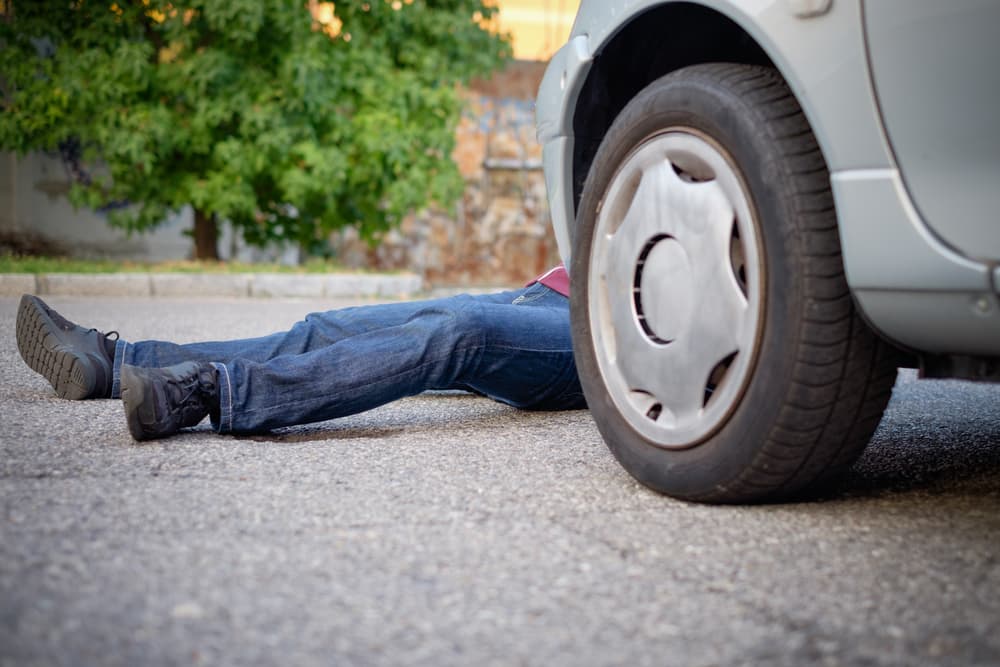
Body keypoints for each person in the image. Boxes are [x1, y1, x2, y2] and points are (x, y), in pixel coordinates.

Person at [15, 266, 584, 441]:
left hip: (602, 336)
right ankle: (114, 365)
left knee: (463, 330)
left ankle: (207, 390)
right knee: (328, 326)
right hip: (541, 294)